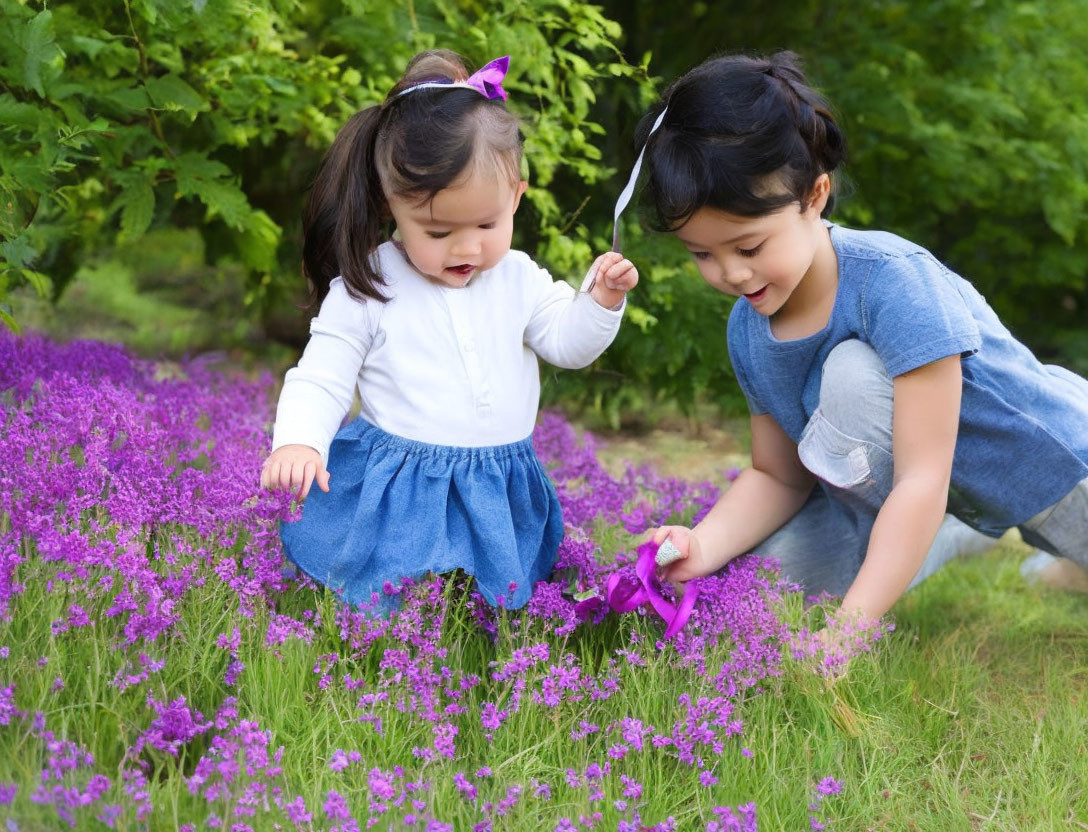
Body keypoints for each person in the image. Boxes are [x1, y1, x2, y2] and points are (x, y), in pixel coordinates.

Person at [641, 51, 1088, 623]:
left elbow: (923, 475)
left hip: (1047, 461)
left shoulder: (893, 279)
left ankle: (1051, 560)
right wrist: (702, 545)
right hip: (918, 490)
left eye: (749, 248)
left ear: (815, 196)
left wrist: (850, 631)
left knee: (851, 370)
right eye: (702, 253)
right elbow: (777, 474)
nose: (730, 274)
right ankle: (944, 533)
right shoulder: (748, 327)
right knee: (754, 593)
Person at [260, 51, 638, 610]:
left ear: (516, 196)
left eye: (487, 225)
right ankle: (382, 651)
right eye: (437, 230)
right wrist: (299, 440)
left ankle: (481, 645)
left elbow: (567, 342)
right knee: (391, 594)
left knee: (486, 603)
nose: (466, 247)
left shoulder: (518, 278)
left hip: (497, 477)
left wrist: (601, 300)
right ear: (393, 207)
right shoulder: (368, 285)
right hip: (403, 484)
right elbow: (321, 377)